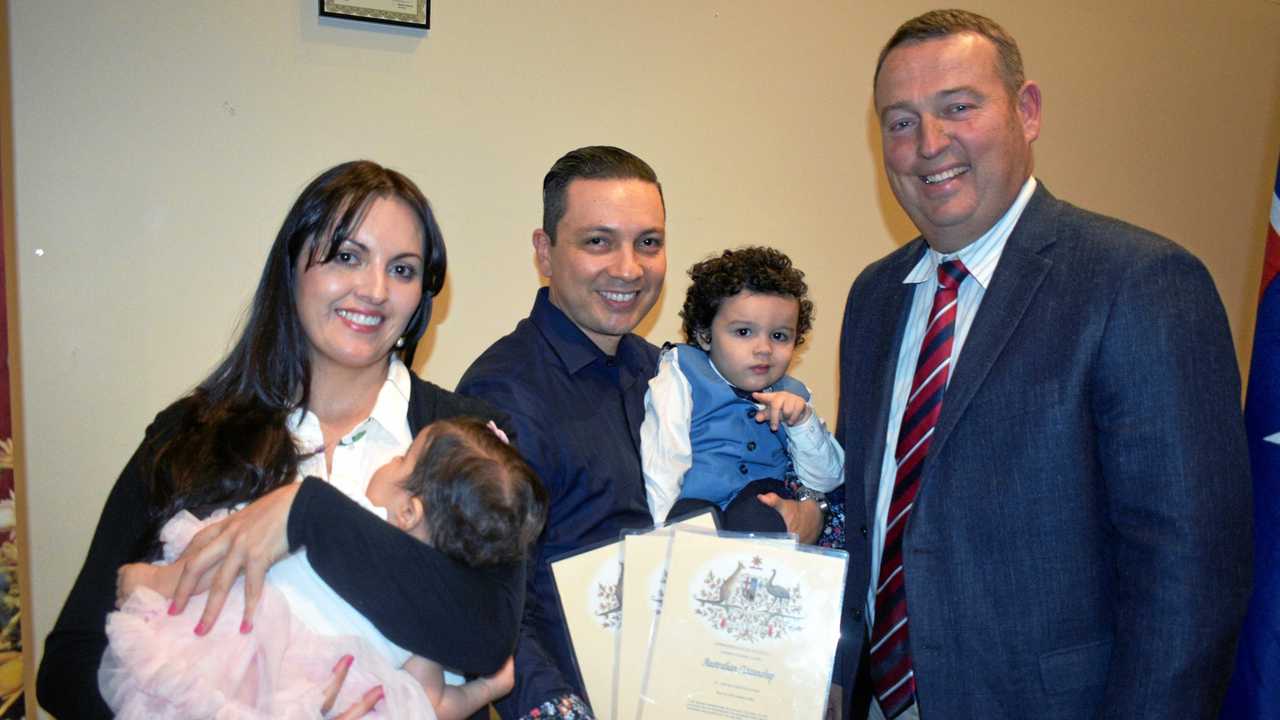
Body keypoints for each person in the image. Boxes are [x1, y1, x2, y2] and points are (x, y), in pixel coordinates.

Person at [835, 10, 1253, 719]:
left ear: (1027, 111)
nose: (928, 145)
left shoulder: (1138, 282)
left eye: (958, 107)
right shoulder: (874, 297)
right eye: (899, 122)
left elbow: (1190, 574)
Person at [37, 160, 524, 719]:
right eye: (347, 256)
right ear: (292, 266)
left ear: (422, 298)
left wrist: (306, 516)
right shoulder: (190, 436)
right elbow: (70, 662)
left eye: (404, 270)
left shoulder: (469, 444)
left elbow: (490, 638)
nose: (374, 290)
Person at [457, 146, 831, 718]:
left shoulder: (668, 371)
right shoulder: (505, 393)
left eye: (648, 243)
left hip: (706, 686)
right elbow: (487, 597)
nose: (628, 268)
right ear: (545, 251)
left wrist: (806, 509)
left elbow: (775, 469)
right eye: (598, 241)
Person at [99, 417, 545, 719]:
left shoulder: (345, 507)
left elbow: (219, 561)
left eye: (403, 458)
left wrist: (154, 582)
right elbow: (431, 703)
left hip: (229, 654)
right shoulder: (431, 629)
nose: (390, 460)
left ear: (409, 512)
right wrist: (487, 691)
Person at [641, 246, 845, 542]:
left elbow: (827, 479)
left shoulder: (793, 395)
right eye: (743, 332)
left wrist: (802, 422)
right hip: (695, 503)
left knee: (760, 518)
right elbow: (664, 453)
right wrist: (660, 532)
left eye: (779, 336)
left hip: (760, 504)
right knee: (688, 524)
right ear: (704, 335)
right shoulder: (683, 371)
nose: (763, 349)